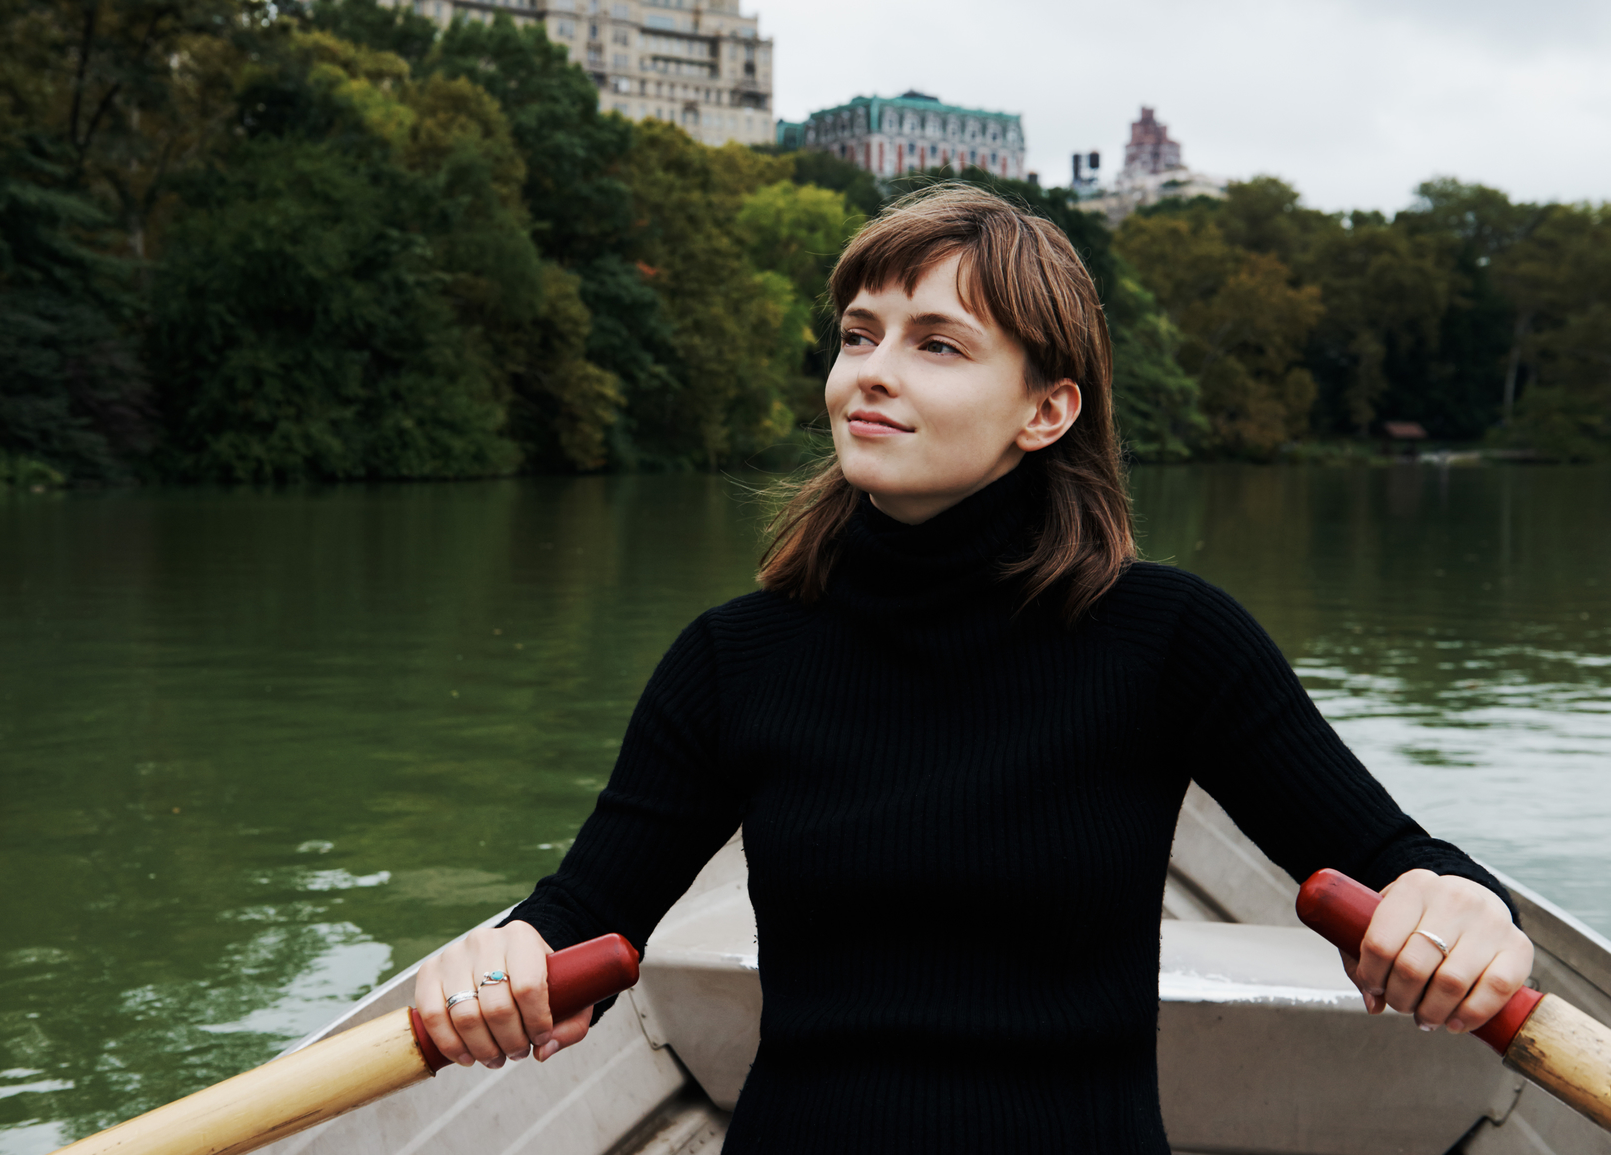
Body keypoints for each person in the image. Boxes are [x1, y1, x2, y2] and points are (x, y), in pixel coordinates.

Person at [412, 186, 1533, 1152]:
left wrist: (1461, 910)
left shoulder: (1170, 638)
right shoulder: (732, 657)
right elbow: (581, 917)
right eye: (859, 336)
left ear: (1045, 411)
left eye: (935, 345)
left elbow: (1400, 863)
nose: (870, 374)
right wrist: (502, 960)